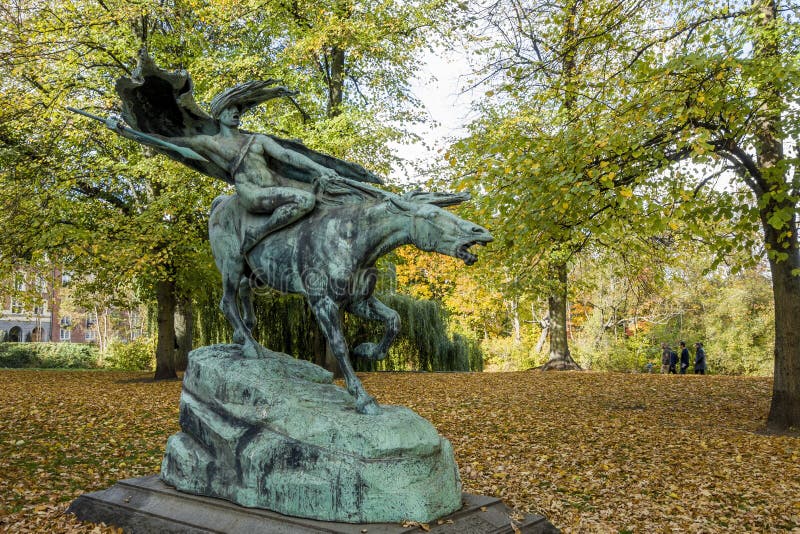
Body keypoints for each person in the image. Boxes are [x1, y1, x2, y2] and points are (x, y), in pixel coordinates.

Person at [106, 82, 341, 255]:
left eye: (238, 109)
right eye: (230, 109)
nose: (235, 112)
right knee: (305, 202)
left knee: (325, 195)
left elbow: (287, 155)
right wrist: (123, 131)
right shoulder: (209, 143)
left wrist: (319, 168)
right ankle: (256, 235)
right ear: (219, 114)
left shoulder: (256, 139)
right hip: (252, 192)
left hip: (277, 185)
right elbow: (166, 143)